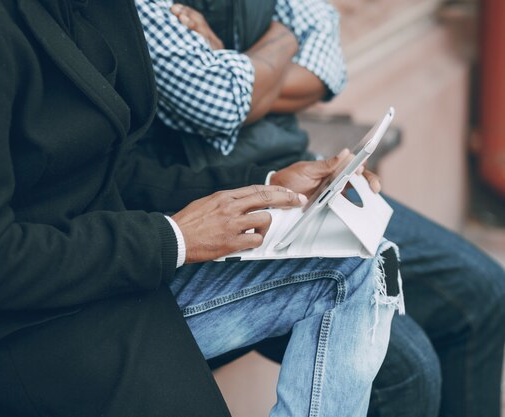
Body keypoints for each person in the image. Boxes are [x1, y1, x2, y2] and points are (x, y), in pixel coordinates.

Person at [0, 1, 403, 416]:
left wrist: (267, 184)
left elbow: (114, 173)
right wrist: (172, 238)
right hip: (28, 333)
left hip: (122, 280)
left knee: (358, 259)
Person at [134, 1, 505, 416]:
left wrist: (245, 69)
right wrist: (283, 36)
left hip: (299, 175)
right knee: (409, 368)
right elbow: (224, 100)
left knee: (484, 289)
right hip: (214, 206)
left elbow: (325, 54)